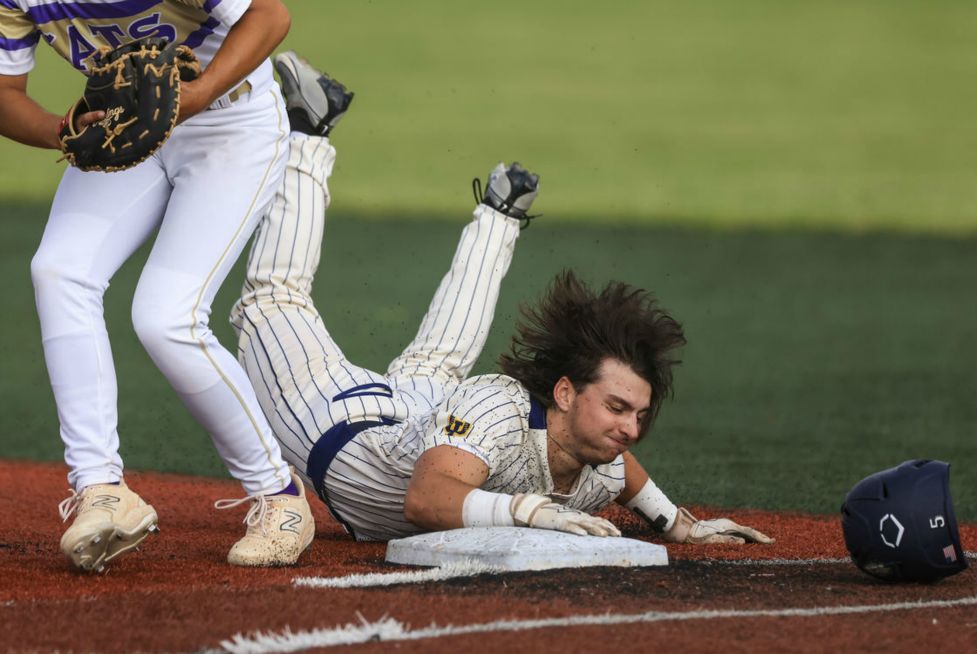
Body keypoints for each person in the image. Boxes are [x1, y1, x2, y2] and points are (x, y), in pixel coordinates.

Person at [232, 53, 773, 546]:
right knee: (270, 301)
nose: (630, 429)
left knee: (434, 364)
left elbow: (625, 473)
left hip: (427, 416)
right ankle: (308, 130)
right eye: (616, 407)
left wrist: (680, 524)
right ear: (564, 392)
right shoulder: (499, 406)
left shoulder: (600, 458)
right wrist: (526, 511)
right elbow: (424, 502)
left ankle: (501, 212)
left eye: (638, 413)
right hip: (343, 428)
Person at [0, 1, 314, 571]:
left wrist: (193, 97)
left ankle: (279, 495)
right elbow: (4, 91)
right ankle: (102, 491)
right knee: (59, 270)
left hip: (230, 125)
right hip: (128, 125)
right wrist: (60, 131)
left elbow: (270, 16)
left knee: (166, 318)